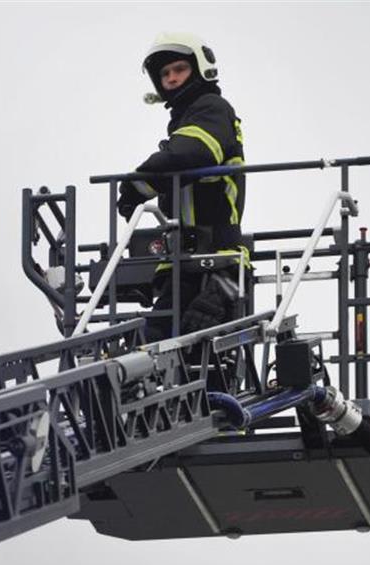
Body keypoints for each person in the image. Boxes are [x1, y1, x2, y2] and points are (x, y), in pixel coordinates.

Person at [118, 32, 251, 342]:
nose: (172, 78)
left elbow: (191, 153)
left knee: (170, 347)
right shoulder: (187, 119)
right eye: (165, 73)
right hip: (185, 262)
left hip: (216, 261)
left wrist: (136, 186)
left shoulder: (212, 108)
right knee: (155, 345)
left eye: (179, 69)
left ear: (201, 68)